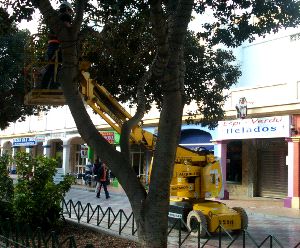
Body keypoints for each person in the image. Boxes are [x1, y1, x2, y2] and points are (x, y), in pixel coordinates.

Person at [41, 1, 73, 89]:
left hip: (51, 45)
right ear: (67, 9)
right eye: (70, 11)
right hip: (57, 46)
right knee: (59, 66)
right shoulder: (66, 16)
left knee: (53, 66)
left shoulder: (56, 18)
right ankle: (53, 85)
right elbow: (68, 27)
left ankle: (47, 85)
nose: (70, 13)